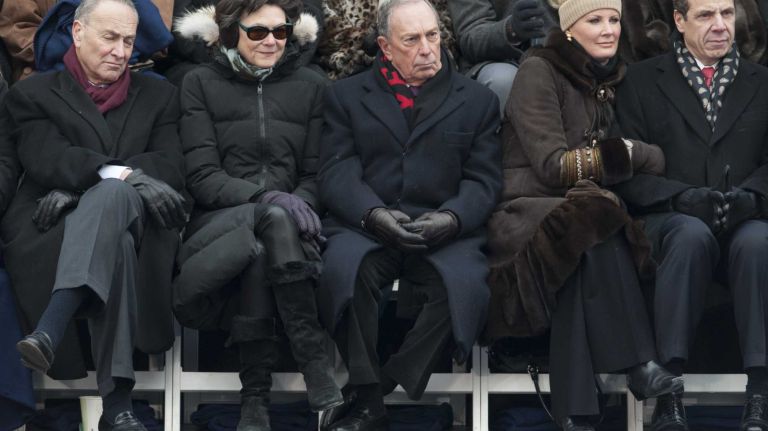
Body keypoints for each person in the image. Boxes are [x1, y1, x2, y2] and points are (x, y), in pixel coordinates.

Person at [482, 0, 686, 429]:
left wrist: (637, 154)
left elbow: (653, 159)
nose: (609, 29)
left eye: (614, 19)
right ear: (570, 29)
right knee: (597, 220)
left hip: (575, 210)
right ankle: (638, 363)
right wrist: (627, 154)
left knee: (587, 240)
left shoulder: (608, 77)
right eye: (595, 20)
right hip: (523, 210)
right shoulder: (539, 69)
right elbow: (553, 165)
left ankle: (577, 414)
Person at [0, 0, 187, 428]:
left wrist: (87, 185)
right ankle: (117, 404)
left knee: (113, 203)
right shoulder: (32, 94)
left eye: (128, 40)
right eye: (109, 38)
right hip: (50, 230)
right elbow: (47, 157)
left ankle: (52, 324)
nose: (121, 51)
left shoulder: (160, 94)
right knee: (113, 225)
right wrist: (124, 175)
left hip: (143, 228)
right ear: (78, 32)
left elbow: (172, 164)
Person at [316, 0, 502, 429]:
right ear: (385, 46)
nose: (427, 49)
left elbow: (484, 181)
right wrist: (373, 214)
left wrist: (452, 218)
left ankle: (382, 383)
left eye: (433, 35)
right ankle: (365, 395)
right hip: (369, 227)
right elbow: (337, 171)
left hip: (444, 228)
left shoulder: (478, 100)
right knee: (342, 270)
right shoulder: (345, 95)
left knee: (465, 284)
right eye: (412, 39)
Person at [172, 0, 341, 428]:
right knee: (269, 222)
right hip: (218, 222)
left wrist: (296, 201)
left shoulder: (312, 85)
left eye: (281, 32)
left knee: (266, 243)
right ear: (231, 32)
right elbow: (204, 177)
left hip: (293, 227)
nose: (271, 41)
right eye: (258, 32)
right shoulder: (198, 83)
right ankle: (314, 364)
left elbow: (317, 173)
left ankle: (255, 398)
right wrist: (270, 198)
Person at [613, 0, 768, 429]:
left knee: (759, 242)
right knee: (689, 236)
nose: (720, 26)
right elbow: (623, 169)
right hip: (670, 219)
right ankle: (670, 395)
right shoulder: (640, 81)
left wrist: (753, 198)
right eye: (705, 15)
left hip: (745, 217)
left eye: (727, 14)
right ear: (679, 21)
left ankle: (760, 395)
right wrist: (680, 197)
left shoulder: (763, 81)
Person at [447, 0, 557, 114]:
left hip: (561, 51)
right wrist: (510, 29)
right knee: (503, 79)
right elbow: (471, 38)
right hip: (501, 62)